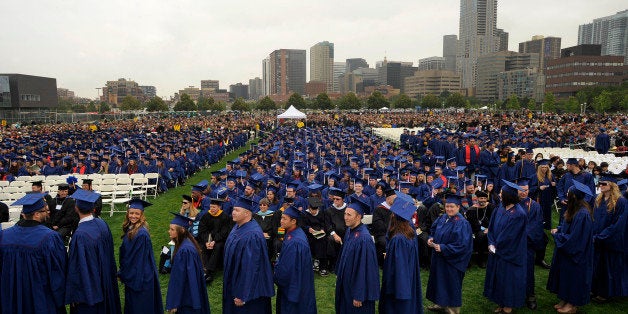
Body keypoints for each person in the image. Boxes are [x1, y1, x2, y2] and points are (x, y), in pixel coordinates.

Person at [0, 193, 67, 313]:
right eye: (44, 210)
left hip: (11, 298)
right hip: (40, 299)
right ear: (36, 214)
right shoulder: (50, 238)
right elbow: (58, 272)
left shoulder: (3, 236)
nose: (48, 212)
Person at [65, 189, 121, 314]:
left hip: (90, 289)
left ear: (76, 208)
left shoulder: (80, 235)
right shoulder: (102, 224)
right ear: (93, 208)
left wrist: (75, 294)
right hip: (105, 280)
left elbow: (78, 268)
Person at [547, 180, 595, 313]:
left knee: (574, 277)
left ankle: (572, 304)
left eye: (568, 193)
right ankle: (565, 299)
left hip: (577, 253)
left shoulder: (583, 214)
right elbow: (567, 226)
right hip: (569, 252)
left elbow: (576, 239)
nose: (566, 195)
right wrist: (559, 229)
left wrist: (557, 236)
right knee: (566, 275)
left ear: (573, 196)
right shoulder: (575, 209)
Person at [223, 196, 275, 314]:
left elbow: (251, 267)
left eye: (237, 210)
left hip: (249, 289)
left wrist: (243, 293)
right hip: (235, 280)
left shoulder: (252, 235)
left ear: (247, 213)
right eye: (233, 209)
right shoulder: (238, 226)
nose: (233, 212)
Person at [483, 180, 527, 314]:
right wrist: (491, 242)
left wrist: (495, 246)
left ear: (509, 195)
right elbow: (491, 228)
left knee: (508, 280)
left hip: (510, 253)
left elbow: (510, 236)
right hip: (496, 250)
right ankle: (501, 304)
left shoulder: (519, 214)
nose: (499, 195)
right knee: (499, 279)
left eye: (502, 193)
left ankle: (507, 308)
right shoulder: (500, 208)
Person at [426, 194, 473, 314]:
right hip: (439, 258)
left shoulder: (462, 223)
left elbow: (462, 245)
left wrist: (442, 247)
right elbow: (433, 229)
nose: (449, 209)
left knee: (451, 284)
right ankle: (440, 304)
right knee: (439, 282)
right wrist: (431, 238)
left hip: (453, 260)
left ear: (458, 207)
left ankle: (453, 310)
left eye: (452, 207)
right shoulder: (442, 218)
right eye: (447, 206)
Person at [335, 196, 380, 313]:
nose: (345, 217)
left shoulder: (364, 239)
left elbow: (365, 269)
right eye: (345, 214)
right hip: (347, 285)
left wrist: (359, 294)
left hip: (357, 291)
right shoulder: (350, 231)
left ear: (359, 216)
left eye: (349, 215)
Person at [379, 194, 423, 314]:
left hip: (399, 282)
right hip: (409, 274)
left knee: (398, 307)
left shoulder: (399, 239)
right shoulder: (410, 230)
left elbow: (399, 268)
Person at [118, 199, 163, 314]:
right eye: (131, 213)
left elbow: (135, 260)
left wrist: (122, 273)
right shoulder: (132, 228)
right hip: (135, 273)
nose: (133, 216)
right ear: (127, 213)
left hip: (140, 278)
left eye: (137, 213)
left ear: (142, 215)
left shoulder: (141, 234)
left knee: (139, 307)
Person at [273, 205, 317, 314]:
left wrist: (276, 275)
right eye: (281, 218)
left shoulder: (296, 242)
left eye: (284, 218)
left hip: (294, 286)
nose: (281, 221)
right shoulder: (292, 233)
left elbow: (288, 269)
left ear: (293, 221)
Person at [591, 175, 627, 302]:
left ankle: (606, 294)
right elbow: (594, 219)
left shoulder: (620, 201)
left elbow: (618, 224)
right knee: (597, 266)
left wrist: (601, 236)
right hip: (597, 239)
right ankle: (595, 290)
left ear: (612, 185)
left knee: (608, 268)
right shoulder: (598, 199)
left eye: (603, 183)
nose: (600, 185)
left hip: (611, 241)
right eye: (600, 183)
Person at [165, 213, 210, 314]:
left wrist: (174, 302)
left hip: (187, 297)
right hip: (188, 294)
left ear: (181, 230)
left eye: (172, 229)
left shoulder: (185, 250)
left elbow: (181, 278)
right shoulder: (185, 244)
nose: (169, 231)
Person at [516, 178, 545, 310]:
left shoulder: (534, 206)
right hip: (513, 245)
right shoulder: (511, 203)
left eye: (526, 190)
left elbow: (536, 226)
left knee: (528, 270)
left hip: (527, 244)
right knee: (513, 270)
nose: (524, 193)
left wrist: (520, 236)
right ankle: (514, 294)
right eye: (521, 190)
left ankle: (530, 295)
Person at [197, 197, 232, 283]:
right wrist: (206, 241)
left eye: (214, 207)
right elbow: (202, 230)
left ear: (219, 207)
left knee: (217, 247)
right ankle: (204, 269)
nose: (211, 209)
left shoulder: (225, 217)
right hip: (207, 239)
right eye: (210, 207)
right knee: (203, 247)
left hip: (220, 240)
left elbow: (224, 232)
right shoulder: (206, 216)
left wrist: (214, 241)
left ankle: (210, 272)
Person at [464, 190, 494, 268]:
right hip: (476, 230)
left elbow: (494, 220)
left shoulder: (490, 207)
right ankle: (481, 259)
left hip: (490, 229)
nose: (483, 200)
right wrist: (484, 229)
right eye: (481, 198)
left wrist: (489, 228)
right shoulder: (472, 210)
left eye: (484, 198)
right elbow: (473, 223)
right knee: (481, 236)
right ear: (477, 199)